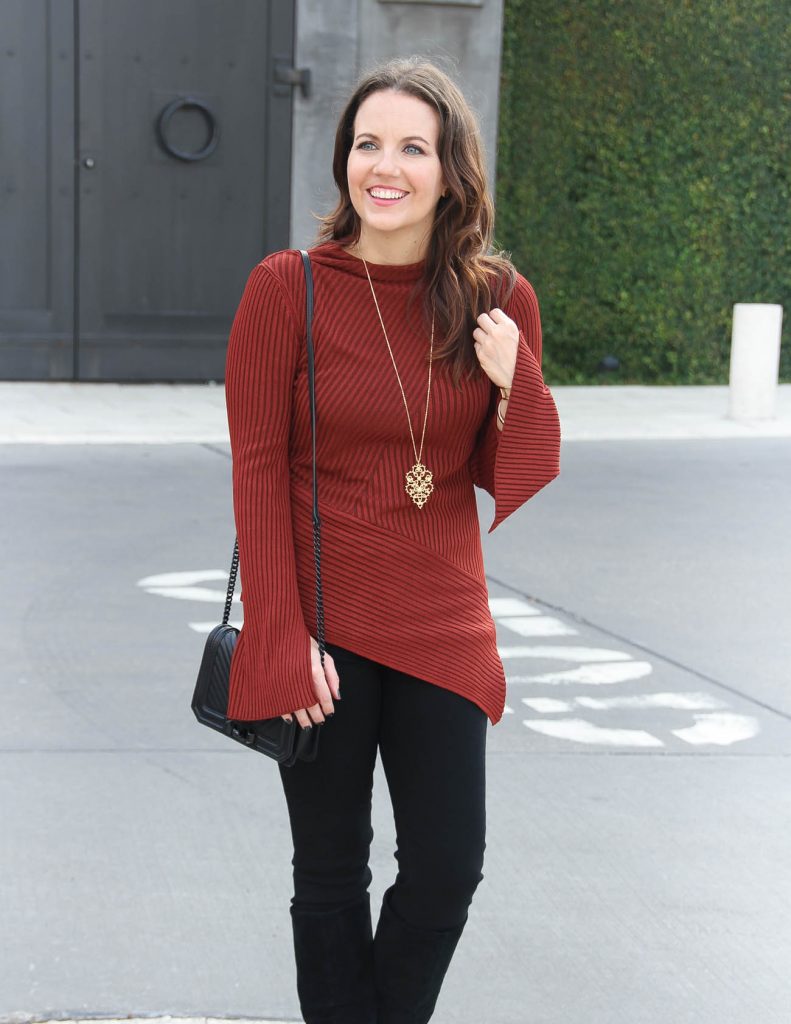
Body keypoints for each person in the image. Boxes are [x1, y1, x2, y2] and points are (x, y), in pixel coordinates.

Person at [223, 56, 561, 1024]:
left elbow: (516, 471)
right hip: (322, 620)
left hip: (440, 619)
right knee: (329, 872)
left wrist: (515, 379)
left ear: (451, 170)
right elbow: (255, 469)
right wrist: (278, 638)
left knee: (448, 866)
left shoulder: (496, 298)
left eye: (412, 147)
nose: (385, 165)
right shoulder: (286, 287)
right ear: (343, 162)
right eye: (367, 143)